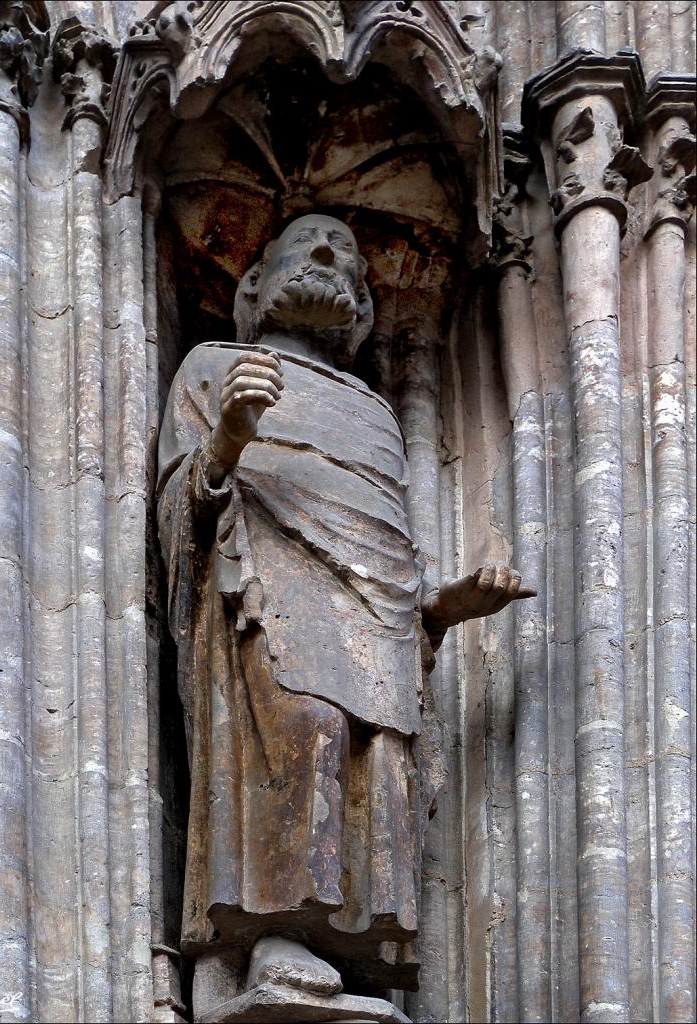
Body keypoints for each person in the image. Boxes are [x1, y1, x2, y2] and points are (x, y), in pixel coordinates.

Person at [157, 214, 535, 1002]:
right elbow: (177, 510)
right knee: (307, 726)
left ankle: (343, 948)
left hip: (376, 623)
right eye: (308, 244)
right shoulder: (214, 365)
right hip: (268, 590)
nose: (330, 255)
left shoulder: (375, 413)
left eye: (348, 255)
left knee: (380, 759)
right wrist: (229, 436)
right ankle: (265, 938)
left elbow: (391, 554)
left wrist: (443, 607)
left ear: (364, 307)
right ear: (254, 283)